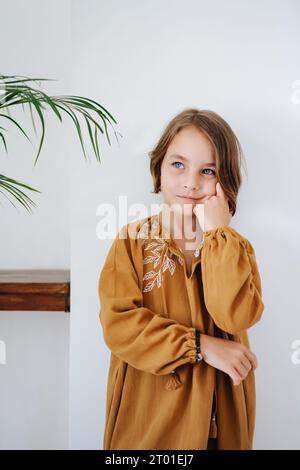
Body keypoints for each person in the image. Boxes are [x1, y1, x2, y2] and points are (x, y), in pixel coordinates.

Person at [98, 108, 264, 450]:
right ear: (159, 169)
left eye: (207, 171)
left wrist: (218, 233)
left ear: (224, 182)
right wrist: (202, 346)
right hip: (149, 417)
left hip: (219, 421)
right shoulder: (132, 241)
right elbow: (120, 325)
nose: (191, 181)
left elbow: (234, 315)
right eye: (178, 164)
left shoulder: (237, 249)